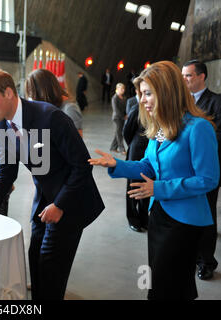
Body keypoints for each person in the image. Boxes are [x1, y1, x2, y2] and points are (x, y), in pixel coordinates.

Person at [89, 61, 219, 300]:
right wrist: (118, 165)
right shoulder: (161, 126)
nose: (142, 100)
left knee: (171, 283)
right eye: (141, 94)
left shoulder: (199, 128)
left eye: (148, 93)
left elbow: (208, 179)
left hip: (185, 222)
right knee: (161, 279)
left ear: (167, 92)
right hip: (159, 214)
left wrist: (158, 188)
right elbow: (149, 165)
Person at [0, 69, 105, 300]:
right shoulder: (2, 125)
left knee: (51, 269)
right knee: (35, 260)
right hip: (44, 199)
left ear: (8, 93)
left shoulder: (50, 117)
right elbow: (6, 170)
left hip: (71, 201)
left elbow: (82, 166)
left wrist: (60, 205)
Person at [182, 59, 221, 280]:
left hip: (205, 172)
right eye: (183, 76)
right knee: (188, 215)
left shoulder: (216, 102)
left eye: (188, 75)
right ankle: (191, 255)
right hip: (184, 171)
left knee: (206, 216)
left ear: (201, 76)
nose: (184, 80)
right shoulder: (181, 103)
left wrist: (195, 140)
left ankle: (206, 261)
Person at [24, 68, 83, 137]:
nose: (32, 98)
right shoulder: (47, 107)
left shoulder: (69, 108)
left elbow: (76, 142)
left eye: (32, 92)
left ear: (44, 91)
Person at [122, 84, 149, 232]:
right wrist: (134, 145)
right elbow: (127, 132)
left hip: (150, 153)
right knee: (133, 185)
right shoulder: (137, 109)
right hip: (137, 151)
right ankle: (133, 218)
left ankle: (144, 217)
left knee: (148, 184)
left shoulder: (157, 109)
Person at [110, 83, 127, 154]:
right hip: (117, 118)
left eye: (123, 89)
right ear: (117, 89)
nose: (123, 90)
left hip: (122, 118)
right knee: (119, 133)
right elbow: (116, 110)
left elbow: (126, 108)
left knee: (117, 132)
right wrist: (123, 116)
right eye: (121, 89)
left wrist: (126, 114)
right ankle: (122, 149)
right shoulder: (114, 98)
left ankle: (113, 147)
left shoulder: (124, 97)